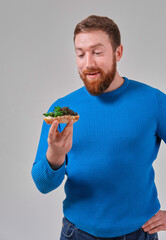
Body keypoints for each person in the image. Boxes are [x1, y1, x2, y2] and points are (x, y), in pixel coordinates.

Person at [31, 15, 166, 240]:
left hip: (138, 234)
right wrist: (55, 154)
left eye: (97, 52)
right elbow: (42, 185)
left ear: (118, 53)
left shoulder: (153, 101)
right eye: (80, 53)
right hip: (76, 234)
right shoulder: (62, 111)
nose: (88, 63)